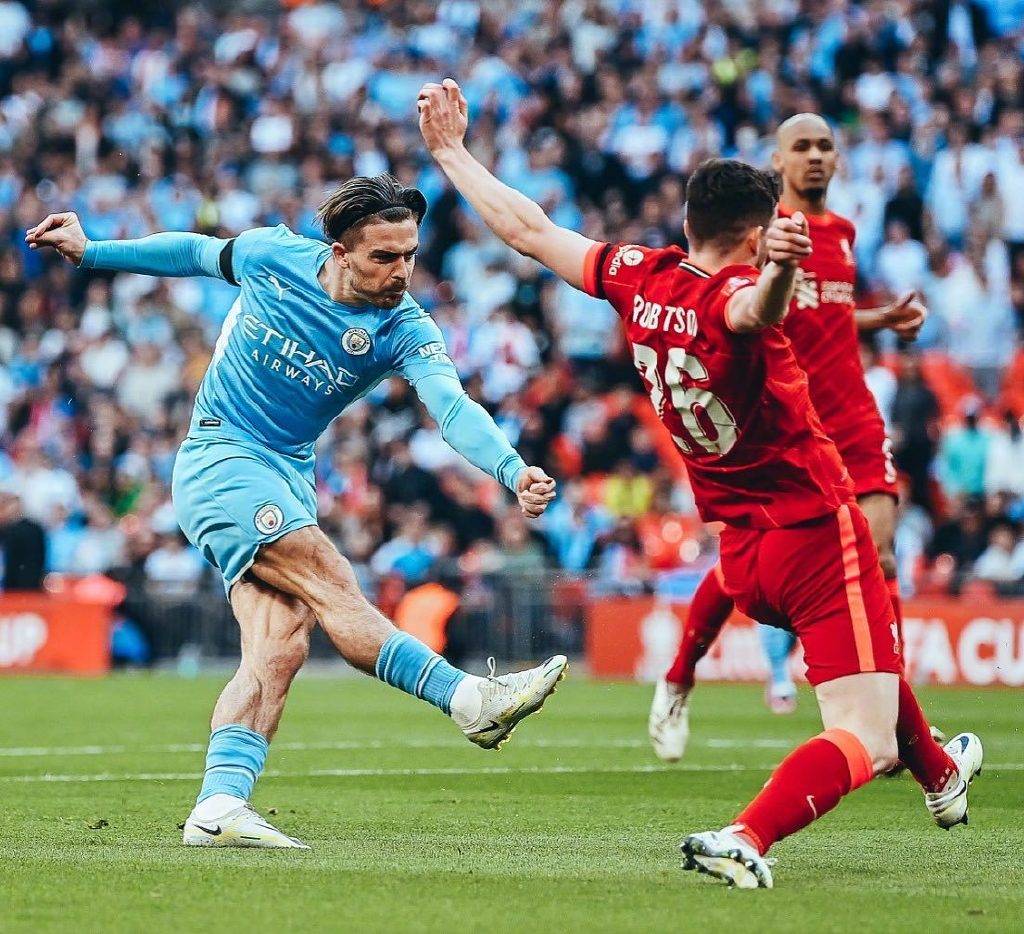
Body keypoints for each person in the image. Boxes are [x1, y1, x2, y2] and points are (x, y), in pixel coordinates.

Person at [418, 79, 981, 888]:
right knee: (865, 733)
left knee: (873, 664)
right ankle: (745, 836)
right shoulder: (737, 297)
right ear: (756, 236)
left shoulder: (639, 276)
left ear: (687, 224)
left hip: (742, 555)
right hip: (815, 535)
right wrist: (782, 271)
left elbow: (528, 229)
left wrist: (451, 152)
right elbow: (758, 310)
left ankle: (942, 775)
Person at [26, 174, 568, 850]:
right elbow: (194, 252)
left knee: (279, 646)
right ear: (339, 251)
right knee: (331, 578)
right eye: (384, 257)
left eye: (410, 255)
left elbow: (451, 407)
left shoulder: (405, 327)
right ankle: (467, 701)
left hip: (287, 474)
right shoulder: (274, 255)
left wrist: (512, 469)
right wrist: (94, 250)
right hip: (221, 456)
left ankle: (219, 805)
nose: (402, 271)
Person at [654, 113, 931, 737]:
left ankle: (894, 716)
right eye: (801, 146)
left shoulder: (844, 233)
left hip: (854, 419)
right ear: (777, 161)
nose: (814, 156)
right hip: (787, 428)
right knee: (743, 569)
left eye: (824, 146)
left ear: (837, 159)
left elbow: (825, 316)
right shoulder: (763, 236)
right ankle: (679, 674)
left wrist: (879, 319)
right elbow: (755, 315)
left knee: (881, 558)